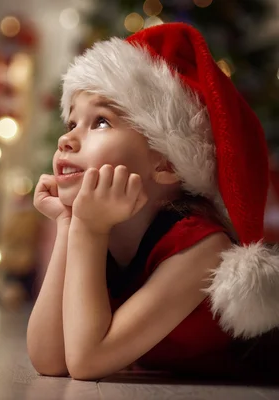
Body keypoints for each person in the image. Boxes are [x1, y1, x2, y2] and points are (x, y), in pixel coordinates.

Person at [27, 22, 279, 381]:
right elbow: (48, 359)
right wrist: (68, 225)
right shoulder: (99, 225)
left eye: (100, 122)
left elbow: (87, 362)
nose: (67, 139)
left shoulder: (202, 247)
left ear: (165, 163)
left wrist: (87, 229)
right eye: (71, 123)